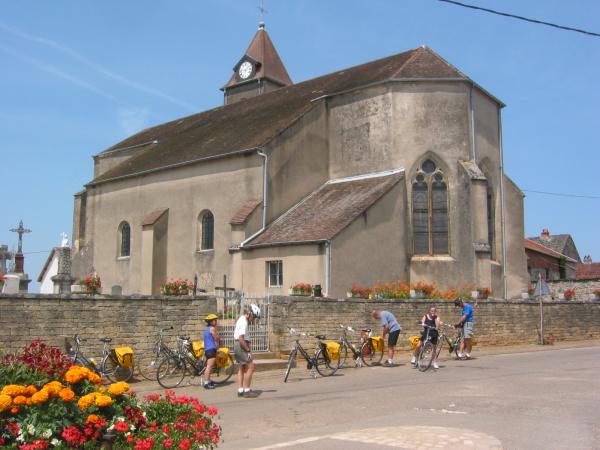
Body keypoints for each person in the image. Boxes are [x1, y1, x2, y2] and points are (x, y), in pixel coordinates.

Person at [234, 303, 261, 398]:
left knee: (241, 368)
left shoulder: (241, 319)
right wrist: (248, 351)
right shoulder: (244, 322)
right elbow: (241, 339)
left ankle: (240, 390)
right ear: (250, 314)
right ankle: (247, 390)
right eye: (254, 317)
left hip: (238, 345)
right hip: (241, 346)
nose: (253, 320)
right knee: (251, 367)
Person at [202, 313, 220, 389]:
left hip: (207, 349)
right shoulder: (212, 329)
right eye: (215, 320)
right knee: (209, 367)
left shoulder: (207, 329)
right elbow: (216, 338)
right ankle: (206, 383)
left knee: (209, 366)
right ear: (211, 322)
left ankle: (209, 381)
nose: (216, 322)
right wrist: (217, 348)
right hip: (211, 349)